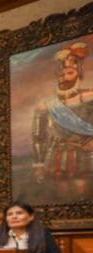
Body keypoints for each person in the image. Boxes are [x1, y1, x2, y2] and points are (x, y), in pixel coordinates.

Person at [32, 42, 93, 182]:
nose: (64, 77)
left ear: (79, 74)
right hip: (55, 158)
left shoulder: (90, 97)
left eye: (70, 72)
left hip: (87, 156)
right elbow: (37, 137)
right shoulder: (45, 105)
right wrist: (39, 164)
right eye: (61, 73)